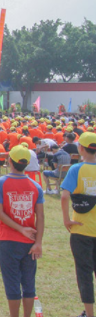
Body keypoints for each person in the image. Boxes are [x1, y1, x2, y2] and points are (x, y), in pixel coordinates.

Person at [0, 145, 44, 317]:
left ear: (9, 161)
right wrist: (38, 243)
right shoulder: (36, 186)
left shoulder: (0, 183)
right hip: (30, 242)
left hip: (8, 240)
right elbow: (41, 217)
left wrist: (20, 229)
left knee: (12, 284)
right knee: (29, 284)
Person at [61, 131, 96, 317]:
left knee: (84, 274)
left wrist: (66, 219)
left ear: (81, 148)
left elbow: (65, 196)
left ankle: (89, 314)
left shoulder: (77, 169)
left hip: (81, 229)